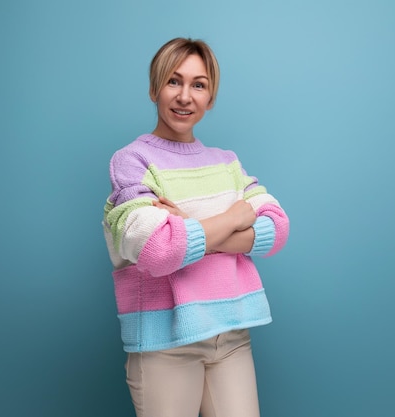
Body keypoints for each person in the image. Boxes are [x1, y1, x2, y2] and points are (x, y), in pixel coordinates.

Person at [102, 37, 290, 417]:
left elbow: (277, 229)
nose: (185, 96)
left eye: (198, 85)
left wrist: (190, 228)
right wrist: (234, 217)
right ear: (155, 88)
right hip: (164, 343)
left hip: (232, 335)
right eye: (174, 81)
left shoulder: (227, 163)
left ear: (210, 97)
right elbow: (159, 252)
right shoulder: (131, 162)